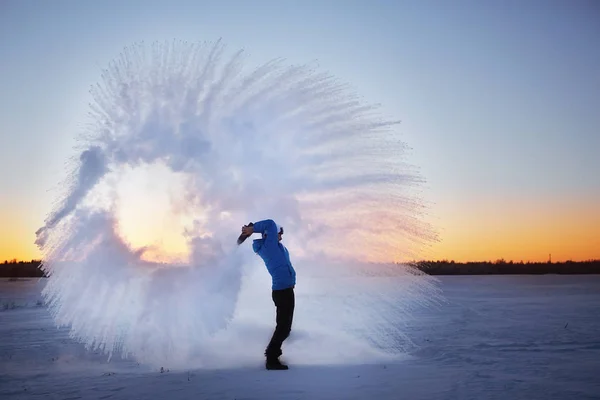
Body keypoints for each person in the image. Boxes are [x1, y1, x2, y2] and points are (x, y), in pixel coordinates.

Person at [240, 219, 296, 370]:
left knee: (285, 328)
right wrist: (252, 229)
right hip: (282, 292)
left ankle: (272, 355)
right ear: (270, 235)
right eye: (279, 234)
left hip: (286, 290)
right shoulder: (269, 246)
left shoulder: (276, 247)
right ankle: (271, 358)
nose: (281, 237)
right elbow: (270, 223)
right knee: (283, 328)